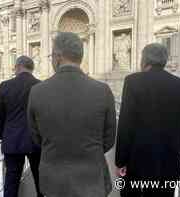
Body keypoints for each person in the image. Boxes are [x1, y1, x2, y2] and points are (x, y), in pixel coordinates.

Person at [28, 32, 116, 197]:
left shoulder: (37, 92)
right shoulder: (103, 91)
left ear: (58, 57)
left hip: (54, 182)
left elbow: (36, 138)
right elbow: (109, 138)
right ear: (80, 57)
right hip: (92, 180)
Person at [115, 43, 180, 197]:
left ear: (144, 60)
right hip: (168, 164)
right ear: (164, 61)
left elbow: (126, 124)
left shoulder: (133, 82)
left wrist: (120, 161)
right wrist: (175, 154)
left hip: (137, 163)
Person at [0, 56, 43, 197]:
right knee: (40, 180)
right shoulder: (40, 86)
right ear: (31, 68)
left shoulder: (5, 85)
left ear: (17, 66)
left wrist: (2, 136)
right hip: (35, 141)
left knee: (11, 181)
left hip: (12, 140)